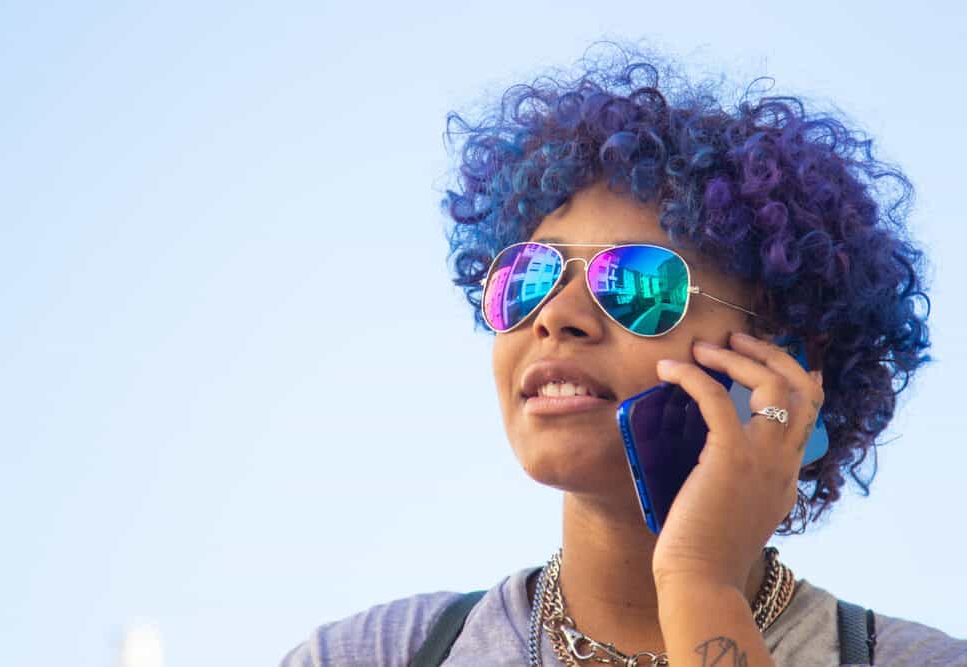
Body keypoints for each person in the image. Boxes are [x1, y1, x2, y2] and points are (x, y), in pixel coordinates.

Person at [281, 43, 967, 666]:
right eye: (529, 276)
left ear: (781, 359)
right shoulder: (369, 654)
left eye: (635, 283)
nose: (555, 317)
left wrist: (699, 583)